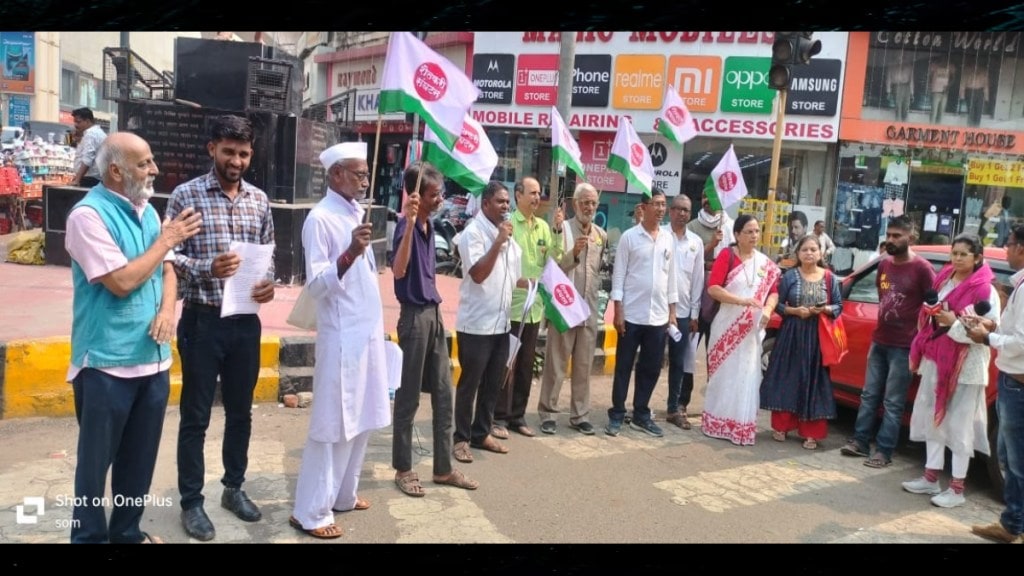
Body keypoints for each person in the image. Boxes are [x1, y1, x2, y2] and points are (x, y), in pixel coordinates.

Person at [65, 132, 202, 543]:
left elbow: (169, 269)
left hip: (153, 361)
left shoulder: (147, 211)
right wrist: (167, 240)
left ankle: (127, 533)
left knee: (138, 464)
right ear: (115, 171)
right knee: (94, 471)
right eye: (144, 163)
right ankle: (88, 539)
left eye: (151, 161)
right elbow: (121, 282)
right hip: (107, 364)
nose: (154, 169)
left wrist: (166, 311)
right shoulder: (87, 217)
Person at [167, 115, 276, 541]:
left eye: (244, 153)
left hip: (245, 322)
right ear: (212, 148)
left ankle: (233, 488)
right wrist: (205, 267)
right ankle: (192, 503)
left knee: (240, 411)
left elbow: (268, 255)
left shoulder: (259, 200)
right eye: (229, 151)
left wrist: (268, 284)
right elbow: (169, 257)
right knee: (195, 415)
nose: (237, 160)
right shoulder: (186, 196)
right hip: (202, 319)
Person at [287, 142, 392, 539]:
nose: (365, 180)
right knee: (332, 424)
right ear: (335, 175)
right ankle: (310, 512)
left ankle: (343, 495)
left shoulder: (354, 213)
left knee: (362, 418)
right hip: (342, 339)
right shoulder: (321, 219)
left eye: (366, 173)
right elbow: (316, 285)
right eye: (358, 173)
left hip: (365, 336)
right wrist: (350, 251)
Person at [390, 161, 478, 496]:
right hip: (413, 317)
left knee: (444, 394)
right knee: (408, 397)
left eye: (440, 192)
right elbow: (398, 271)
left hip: (435, 315)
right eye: (433, 194)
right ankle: (403, 468)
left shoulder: (431, 227)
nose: (440, 198)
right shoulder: (407, 227)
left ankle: (443, 468)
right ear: (416, 196)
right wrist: (410, 225)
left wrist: (420, 223)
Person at [902, 233, 999, 508]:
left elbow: (987, 329)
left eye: (964, 254)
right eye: (954, 253)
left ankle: (957, 489)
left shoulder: (985, 290)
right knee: (933, 416)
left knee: (959, 425)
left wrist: (951, 322)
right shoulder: (943, 278)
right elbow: (930, 312)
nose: (957, 258)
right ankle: (930, 476)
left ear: (977, 258)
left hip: (966, 366)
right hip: (936, 358)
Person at [841, 215, 936, 468]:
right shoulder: (883, 265)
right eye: (889, 235)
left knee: (893, 402)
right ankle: (859, 441)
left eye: (897, 236)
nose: (891, 240)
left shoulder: (923, 269)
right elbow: (882, 295)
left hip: (904, 346)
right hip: (880, 339)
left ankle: (884, 451)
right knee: (869, 394)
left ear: (911, 238)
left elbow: (933, 306)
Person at [452, 181, 522, 463]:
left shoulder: (506, 236)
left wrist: (537, 285)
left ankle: (481, 433)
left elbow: (513, 278)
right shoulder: (474, 234)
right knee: (470, 383)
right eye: (500, 202)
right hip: (476, 324)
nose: (506, 207)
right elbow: (479, 274)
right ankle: (460, 439)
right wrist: (498, 242)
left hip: (501, 323)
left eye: (507, 202)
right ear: (485, 204)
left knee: (493, 383)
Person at [493, 176, 564, 439]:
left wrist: (557, 231)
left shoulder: (543, 227)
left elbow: (554, 260)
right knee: (506, 364)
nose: (537, 197)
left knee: (525, 365)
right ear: (518, 195)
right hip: (512, 307)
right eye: (532, 193)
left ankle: (517, 416)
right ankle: (498, 416)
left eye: (539, 193)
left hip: (534, 309)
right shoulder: (509, 225)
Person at [965, 225, 1024, 543]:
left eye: (1010, 243)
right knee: (1009, 457)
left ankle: (1016, 524)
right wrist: (993, 323)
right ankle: (1012, 523)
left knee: (1017, 461)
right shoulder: (1019, 285)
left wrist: (987, 336)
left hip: (1018, 384)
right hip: (1012, 381)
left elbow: (1021, 343)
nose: (1007, 247)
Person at [700, 215, 780, 445]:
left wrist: (768, 308)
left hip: (751, 330)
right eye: (749, 231)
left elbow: (774, 291)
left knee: (746, 376)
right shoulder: (727, 255)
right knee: (724, 375)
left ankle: (741, 426)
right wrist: (741, 301)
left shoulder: (764, 263)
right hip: (727, 325)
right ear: (737, 235)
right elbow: (714, 288)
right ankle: (717, 423)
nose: (754, 236)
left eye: (757, 231)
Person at [606, 188, 677, 438]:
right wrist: (618, 310)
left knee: (651, 367)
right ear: (643, 207)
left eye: (663, 204)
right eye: (655, 204)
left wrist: (672, 312)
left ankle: (641, 414)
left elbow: (672, 278)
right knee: (624, 366)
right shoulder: (629, 237)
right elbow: (618, 276)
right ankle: (616, 413)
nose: (660, 209)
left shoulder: (668, 239)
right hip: (631, 315)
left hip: (658, 317)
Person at [537, 183, 607, 435]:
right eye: (584, 202)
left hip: (588, 310)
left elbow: (599, 270)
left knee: (583, 366)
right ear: (575, 204)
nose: (589, 207)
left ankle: (580, 415)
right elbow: (551, 267)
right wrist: (573, 253)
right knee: (556, 364)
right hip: (564, 309)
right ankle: (548, 413)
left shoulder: (600, 234)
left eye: (593, 203)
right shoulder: (562, 229)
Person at [760, 234, 841, 449]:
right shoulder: (790, 277)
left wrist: (823, 309)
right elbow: (777, 304)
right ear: (797, 253)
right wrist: (794, 311)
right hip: (791, 335)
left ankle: (810, 433)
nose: (809, 253)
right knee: (787, 378)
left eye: (813, 249)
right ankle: (781, 427)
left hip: (817, 338)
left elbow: (838, 306)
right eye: (805, 250)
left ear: (821, 253)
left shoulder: (829, 278)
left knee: (813, 382)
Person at [663, 193, 704, 430]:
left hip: (684, 311)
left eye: (686, 210)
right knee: (650, 360)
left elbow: (697, 280)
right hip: (658, 310)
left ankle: (674, 408)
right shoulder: (660, 236)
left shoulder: (695, 243)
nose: (681, 213)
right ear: (670, 211)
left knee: (679, 363)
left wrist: (695, 314)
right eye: (677, 209)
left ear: (690, 213)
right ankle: (641, 408)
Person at [71, 107, 107, 188]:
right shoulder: (94, 133)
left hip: (91, 180)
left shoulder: (91, 134)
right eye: (75, 122)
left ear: (87, 121)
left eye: (78, 122)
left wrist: (77, 180)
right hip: (94, 179)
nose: (75, 125)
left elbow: (87, 159)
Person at [960, 61, 989, 127]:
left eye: (977, 64)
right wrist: (962, 96)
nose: (976, 65)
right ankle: (970, 128)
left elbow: (986, 85)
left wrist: (986, 98)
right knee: (971, 111)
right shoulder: (967, 71)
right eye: (974, 63)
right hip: (970, 91)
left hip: (980, 92)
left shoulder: (984, 72)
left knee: (978, 111)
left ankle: (976, 127)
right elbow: (962, 84)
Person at [928, 57, 955, 124]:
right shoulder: (934, 66)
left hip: (944, 92)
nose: (944, 61)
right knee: (934, 111)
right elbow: (930, 77)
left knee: (941, 112)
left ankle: (938, 128)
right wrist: (931, 86)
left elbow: (953, 78)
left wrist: (948, 85)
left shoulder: (950, 67)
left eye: (946, 59)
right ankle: (931, 127)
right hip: (936, 92)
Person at [888, 55, 914, 122]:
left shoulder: (909, 67)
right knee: (898, 106)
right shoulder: (892, 67)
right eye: (899, 59)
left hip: (906, 87)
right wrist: (888, 91)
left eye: (902, 58)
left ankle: (904, 123)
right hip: (896, 86)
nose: (901, 60)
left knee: (906, 106)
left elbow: (911, 80)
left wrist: (912, 93)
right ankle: (898, 123)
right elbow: (888, 79)